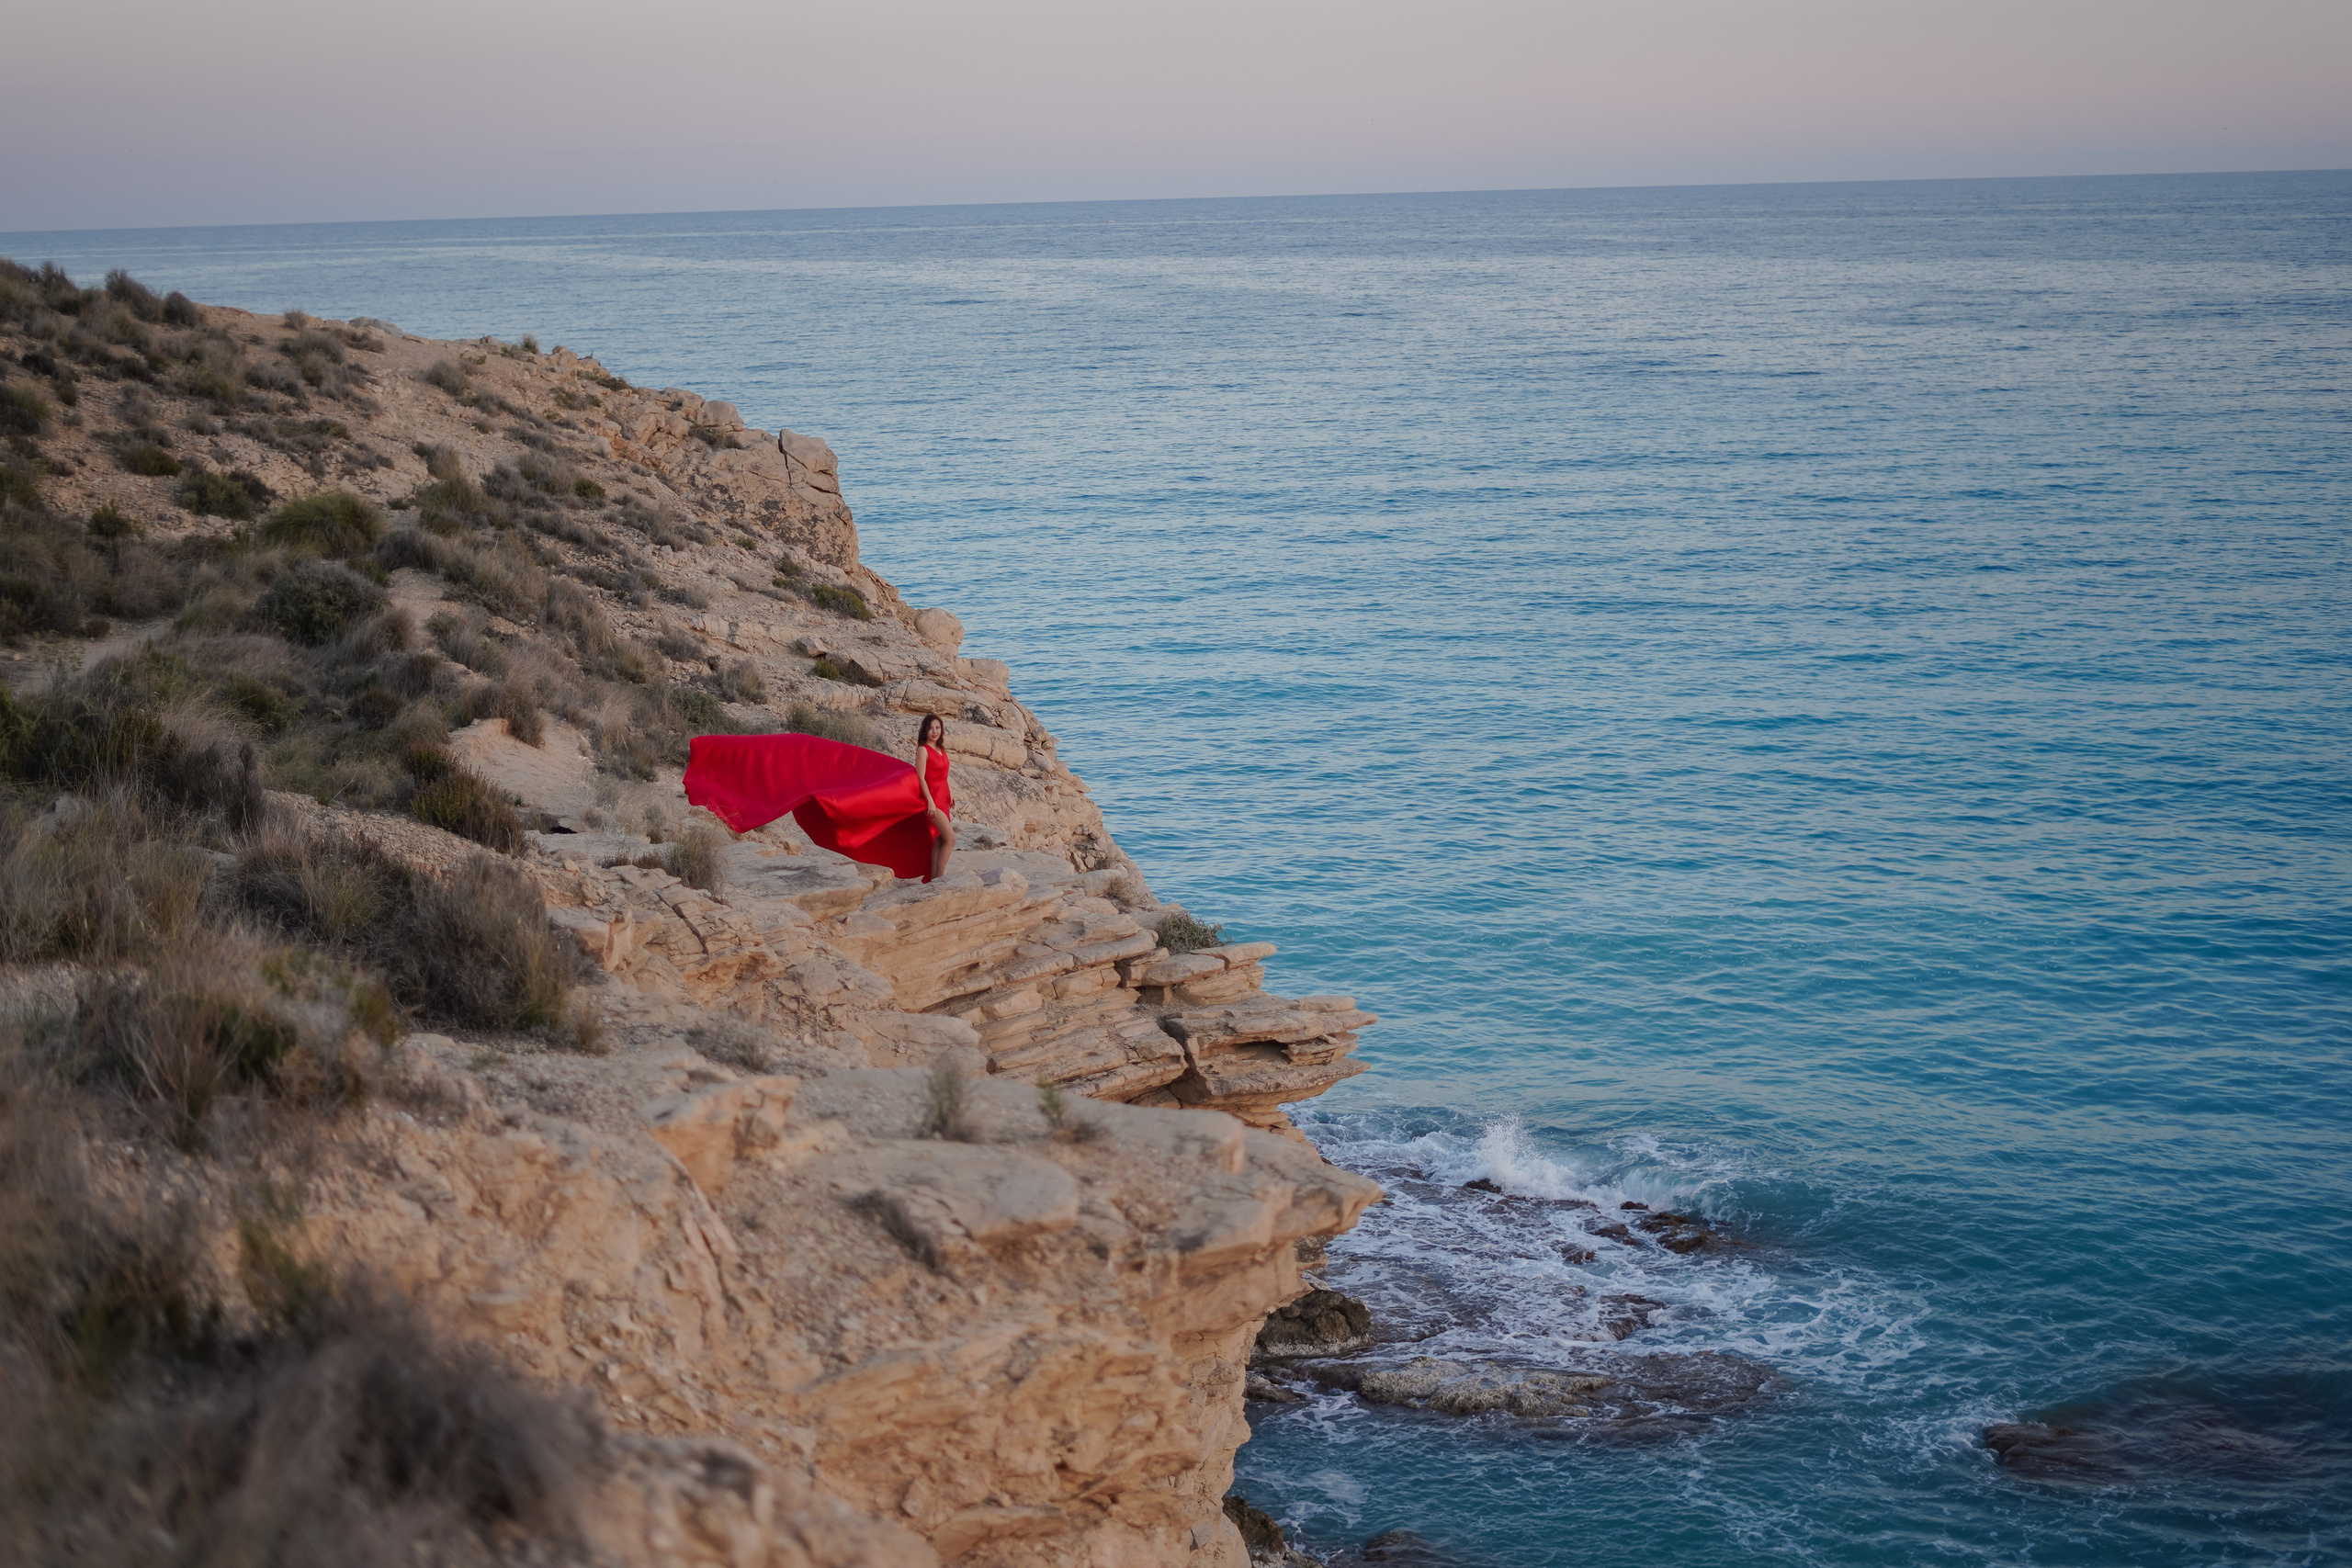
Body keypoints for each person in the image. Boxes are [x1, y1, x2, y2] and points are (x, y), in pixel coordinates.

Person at [914, 714, 956, 880]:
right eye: (931, 728)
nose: (934, 731)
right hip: (932, 800)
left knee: (939, 839)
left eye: (937, 728)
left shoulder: (941, 750)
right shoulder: (923, 750)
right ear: (925, 730)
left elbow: (944, 775)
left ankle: (934, 879)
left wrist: (950, 793)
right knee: (950, 839)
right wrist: (930, 801)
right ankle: (940, 878)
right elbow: (920, 777)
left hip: (943, 797)